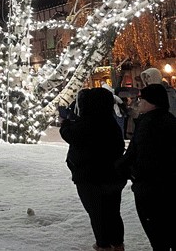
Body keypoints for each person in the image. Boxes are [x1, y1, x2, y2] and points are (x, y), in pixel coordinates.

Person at [60, 88, 126, 251]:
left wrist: (65, 122)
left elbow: (70, 134)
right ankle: (117, 244)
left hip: (90, 178)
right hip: (112, 178)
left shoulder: (87, 123)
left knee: (98, 214)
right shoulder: (110, 123)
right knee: (112, 212)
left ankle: (103, 245)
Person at [117, 83, 176, 250]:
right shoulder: (169, 119)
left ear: (153, 102)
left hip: (151, 189)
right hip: (167, 187)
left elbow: (139, 155)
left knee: (158, 236)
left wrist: (130, 173)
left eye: (142, 99)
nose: (138, 103)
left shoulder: (149, 124)